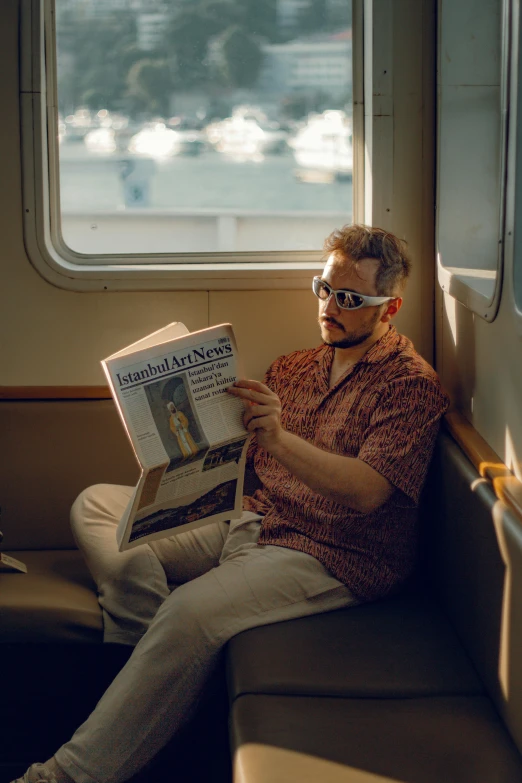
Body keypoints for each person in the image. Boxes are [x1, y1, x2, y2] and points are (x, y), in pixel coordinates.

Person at [14, 224, 449, 783]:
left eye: (348, 299)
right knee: (97, 505)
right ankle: (146, 651)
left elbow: (368, 491)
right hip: (254, 518)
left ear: (389, 309)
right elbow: (246, 462)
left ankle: (63, 777)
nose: (329, 306)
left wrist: (278, 439)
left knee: (190, 612)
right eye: (323, 288)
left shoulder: (411, 385)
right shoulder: (293, 368)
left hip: (334, 552)